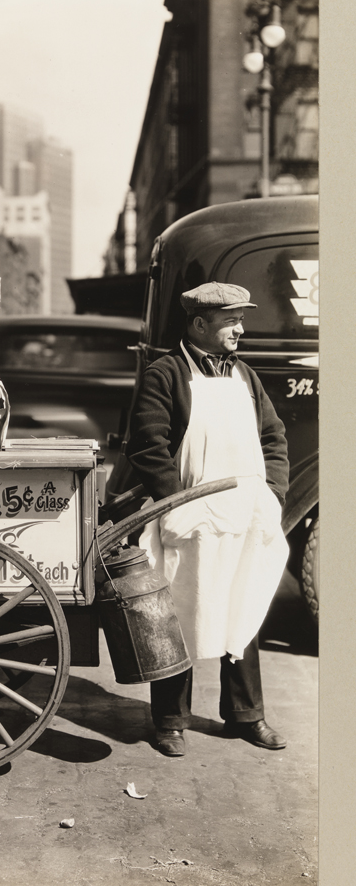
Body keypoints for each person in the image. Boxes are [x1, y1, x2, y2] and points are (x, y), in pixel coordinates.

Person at [125, 282, 289, 757]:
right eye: (230, 321)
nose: (240, 329)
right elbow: (148, 445)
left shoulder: (245, 377)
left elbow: (273, 437)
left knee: (245, 606)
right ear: (200, 324)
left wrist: (273, 493)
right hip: (189, 520)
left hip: (242, 516)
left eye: (241, 319)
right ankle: (170, 721)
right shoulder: (166, 374)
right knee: (179, 613)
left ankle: (245, 716)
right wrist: (178, 502)